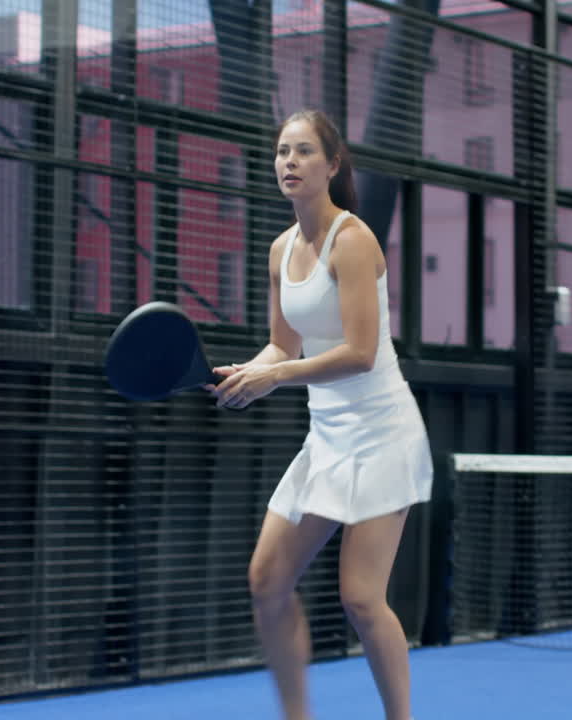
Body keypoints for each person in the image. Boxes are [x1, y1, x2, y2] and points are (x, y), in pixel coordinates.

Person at [207, 109, 432, 720]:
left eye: (304, 152)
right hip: (328, 438)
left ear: (333, 165)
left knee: (361, 598)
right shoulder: (280, 250)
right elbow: (283, 345)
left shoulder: (354, 240)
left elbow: (360, 353)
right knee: (267, 581)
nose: (289, 162)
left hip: (384, 434)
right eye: (282, 151)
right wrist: (247, 375)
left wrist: (275, 376)